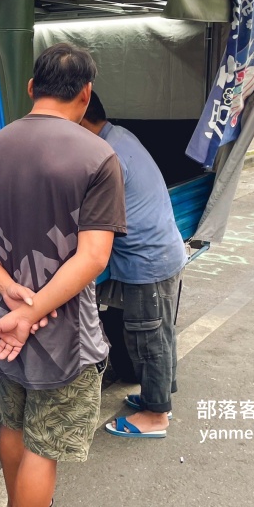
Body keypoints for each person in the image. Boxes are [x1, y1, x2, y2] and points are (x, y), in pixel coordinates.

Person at [0, 44, 126, 507]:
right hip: (64, 333)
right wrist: (33, 311)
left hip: (3, 324)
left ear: (32, 88)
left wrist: (9, 292)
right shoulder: (98, 157)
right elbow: (94, 257)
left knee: (13, 422)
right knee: (44, 447)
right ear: (86, 93)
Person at [81, 92, 187, 439]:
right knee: (161, 332)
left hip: (148, 261)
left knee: (146, 339)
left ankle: (157, 417)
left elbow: (96, 220)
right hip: (164, 251)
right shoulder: (120, 136)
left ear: (83, 118)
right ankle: (159, 393)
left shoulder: (104, 154)